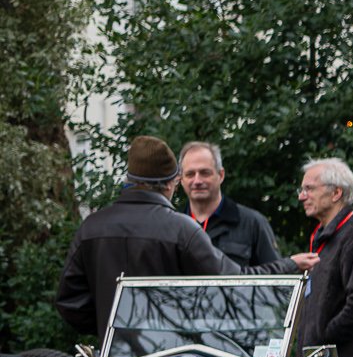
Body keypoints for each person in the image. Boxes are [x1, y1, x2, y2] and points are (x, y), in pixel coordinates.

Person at [55, 135, 240, 337]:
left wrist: (112, 328)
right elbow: (233, 285)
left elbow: (70, 302)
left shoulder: (91, 227)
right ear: (171, 184)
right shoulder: (183, 230)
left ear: (129, 180)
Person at [291, 158, 353, 357]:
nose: (301, 196)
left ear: (336, 193)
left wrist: (322, 338)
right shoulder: (325, 236)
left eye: (309, 189)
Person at [177, 141, 284, 268]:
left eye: (205, 173)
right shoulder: (174, 226)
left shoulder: (252, 223)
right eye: (190, 174)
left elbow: (275, 278)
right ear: (181, 179)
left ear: (221, 175)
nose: (197, 181)